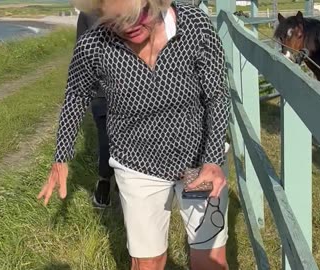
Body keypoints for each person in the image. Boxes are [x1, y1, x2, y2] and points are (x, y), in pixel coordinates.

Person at [37, 0, 231, 269]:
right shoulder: (94, 44)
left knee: (209, 260)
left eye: (138, 16)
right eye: (117, 21)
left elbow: (216, 95)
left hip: (198, 160)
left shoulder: (194, 25)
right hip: (137, 162)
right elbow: (76, 95)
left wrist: (212, 159)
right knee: (147, 262)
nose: (129, 27)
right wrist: (61, 156)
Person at [75, 11, 115, 208]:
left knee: (106, 140)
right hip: (105, 91)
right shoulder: (86, 14)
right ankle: (106, 184)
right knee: (108, 139)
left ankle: (106, 184)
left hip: (112, 90)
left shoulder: (87, 13)